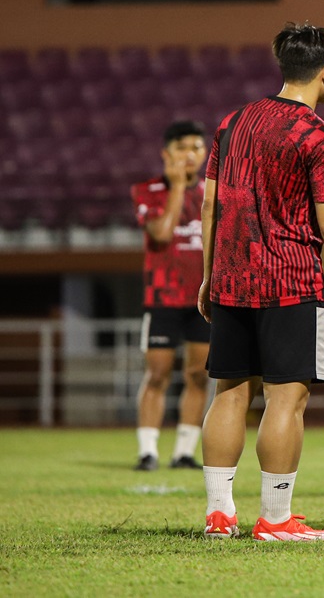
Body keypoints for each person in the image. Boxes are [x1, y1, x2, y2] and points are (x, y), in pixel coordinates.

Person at [198, 23, 324, 542]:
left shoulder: (233, 122)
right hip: (289, 282)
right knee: (286, 400)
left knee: (230, 392)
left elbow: (210, 203)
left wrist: (208, 275)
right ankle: (276, 519)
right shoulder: (322, 138)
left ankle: (219, 515)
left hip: (232, 278)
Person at [130, 120, 210, 471]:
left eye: (196, 147)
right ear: (166, 154)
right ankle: (148, 451)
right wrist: (177, 187)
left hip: (202, 302)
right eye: (181, 148)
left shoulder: (212, 193)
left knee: (198, 375)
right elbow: (162, 233)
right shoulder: (148, 190)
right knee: (158, 375)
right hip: (162, 297)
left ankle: (184, 452)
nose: (189, 155)